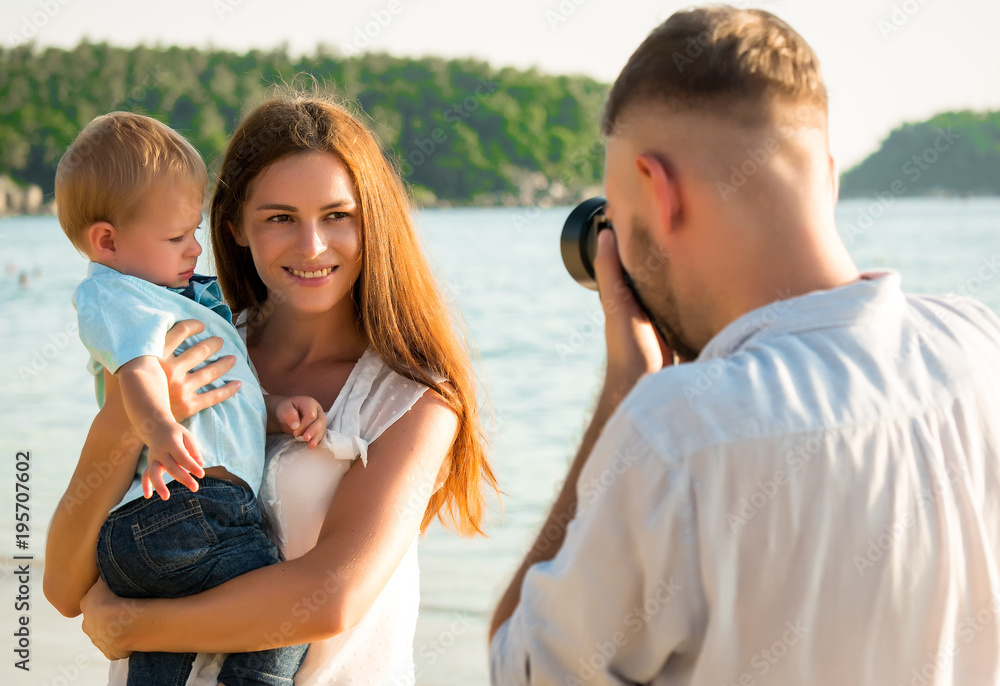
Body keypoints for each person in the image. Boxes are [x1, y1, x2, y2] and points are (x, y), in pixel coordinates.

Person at [491, 6, 1000, 685]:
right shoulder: (978, 344)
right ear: (828, 172)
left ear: (659, 190)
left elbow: (521, 667)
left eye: (618, 208)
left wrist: (622, 396)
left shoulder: (674, 432)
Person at [44, 94, 498, 686]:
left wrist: (135, 628)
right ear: (234, 227)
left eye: (338, 215)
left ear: (373, 221)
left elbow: (332, 597)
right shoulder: (187, 354)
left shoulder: (411, 397)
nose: (312, 246)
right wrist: (131, 421)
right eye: (281, 218)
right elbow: (61, 586)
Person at [50, 111, 319, 686]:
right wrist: (159, 428)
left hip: (156, 526)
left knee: (160, 659)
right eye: (176, 237)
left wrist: (273, 412)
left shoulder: (174, 300)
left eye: (195, 231)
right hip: (188, 512)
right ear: (107, 241)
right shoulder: (119, 296)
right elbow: (139, 373)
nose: (195, 249)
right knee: (281, 619)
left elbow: (222, 400)